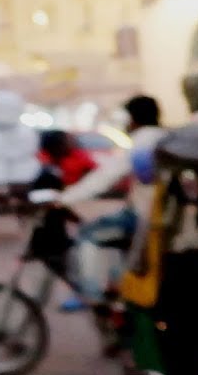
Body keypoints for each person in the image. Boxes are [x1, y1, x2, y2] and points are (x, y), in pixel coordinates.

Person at [58, 96, 165, 310]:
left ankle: (91, 295)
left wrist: (63, 199)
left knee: (87, 235)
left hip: (143, 216)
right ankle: (118, 290)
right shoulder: (164, 137)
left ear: (132, 119)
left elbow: (107, 176)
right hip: (156, 214)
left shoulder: (142, 142)